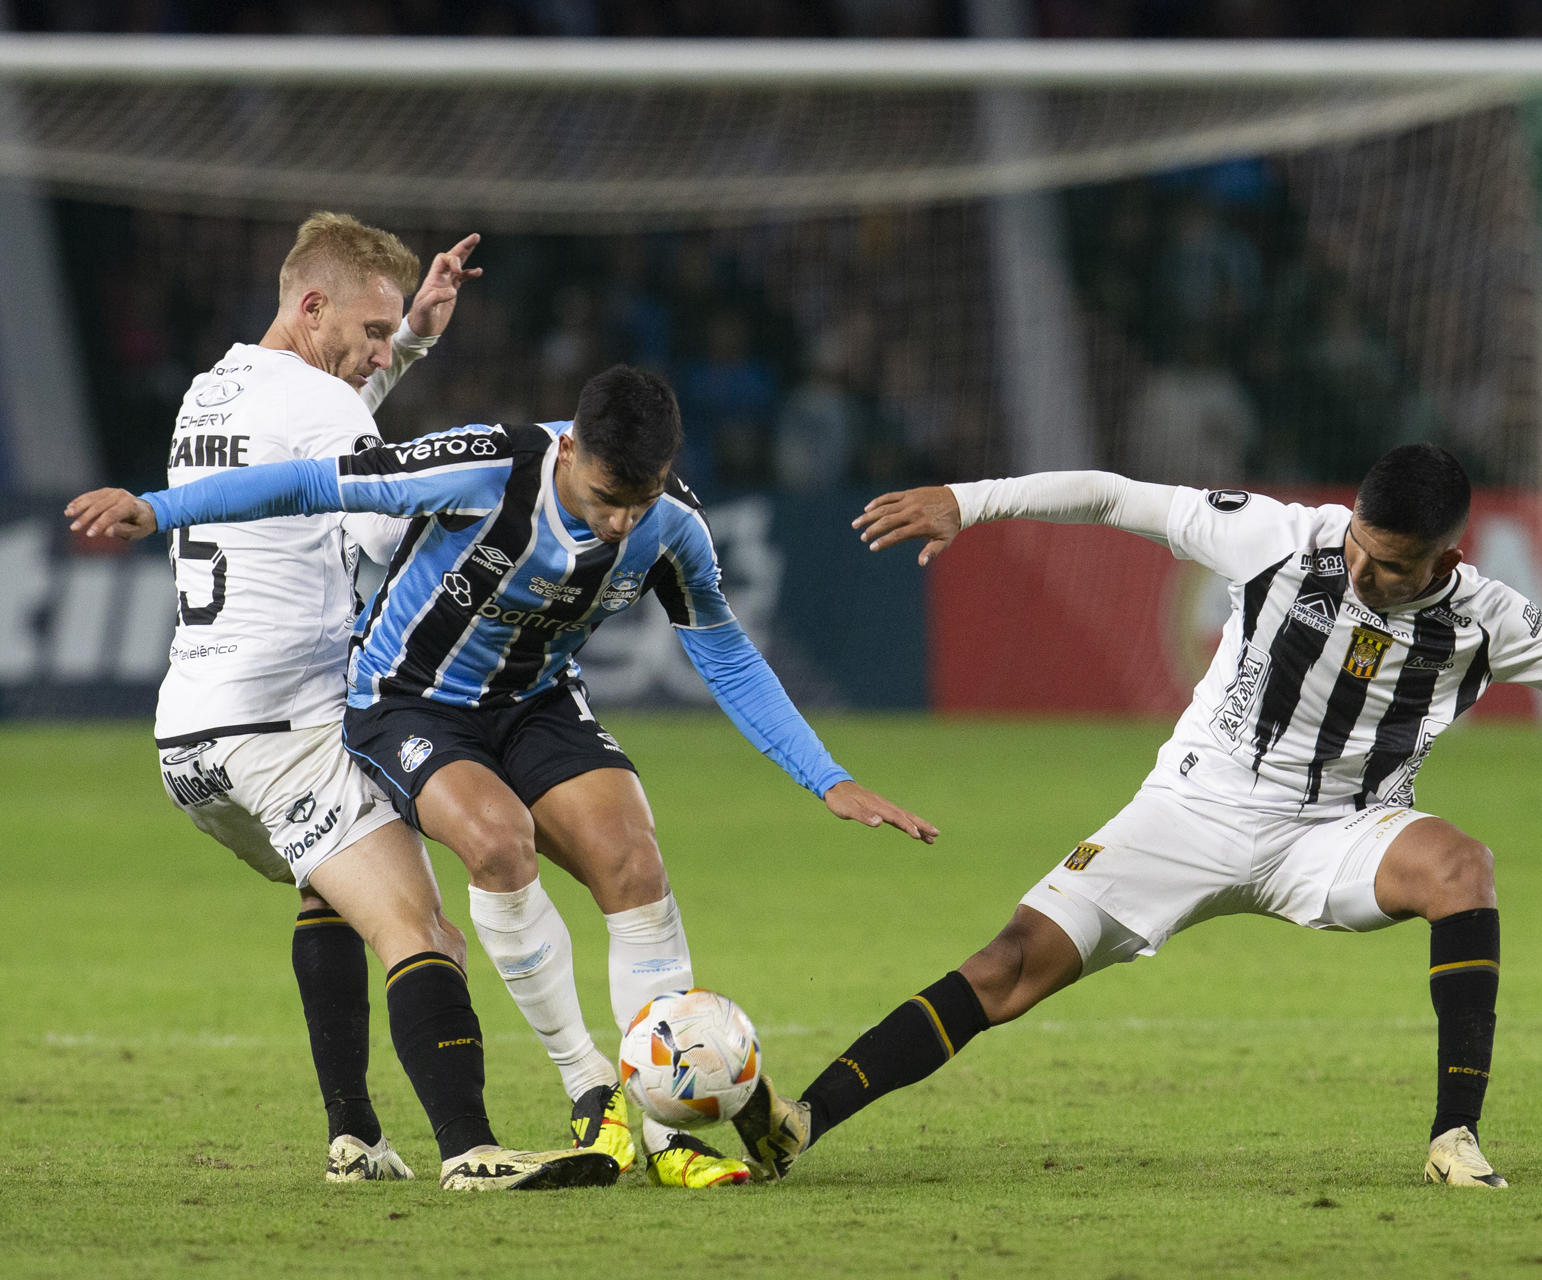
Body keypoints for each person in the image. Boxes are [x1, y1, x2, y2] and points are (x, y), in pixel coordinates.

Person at [721, 447, 1542, 1189]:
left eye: (1394, 562)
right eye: (1362, 542)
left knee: (1463, 862)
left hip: (1342, 832)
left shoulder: (1485, 615)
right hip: (1192, 805)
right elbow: (1119, 496)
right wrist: (969, 501)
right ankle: (799, 1122)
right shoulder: (1280, 537)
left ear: (1445, 558)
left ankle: (1453, 1134)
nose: (1366, 567)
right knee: (1009, 963)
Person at [67, 363, 939, 1190]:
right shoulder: (480, 466)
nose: (618, 526)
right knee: (497, 840)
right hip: (408, 700)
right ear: (569, 452)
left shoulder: (671, 524)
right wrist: (156, 507)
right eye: (605, 499)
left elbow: (724, 652)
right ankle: (591, 1090)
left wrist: (825, 777)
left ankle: (669, 1129)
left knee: (633, 859)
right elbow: (308, 484)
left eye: (637, 502)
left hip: (537, 701)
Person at [99, 211, 616, 1192]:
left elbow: (330, 420)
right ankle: (471, 1149)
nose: (382, 350)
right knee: (421, 929)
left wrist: (411, 334)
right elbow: (386, 525)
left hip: (190, 738)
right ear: (311, 304)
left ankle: (355, 1136)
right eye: (372, 332)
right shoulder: (326, 412)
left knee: (325, 881)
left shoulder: (216, 385)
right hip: (279, 725)